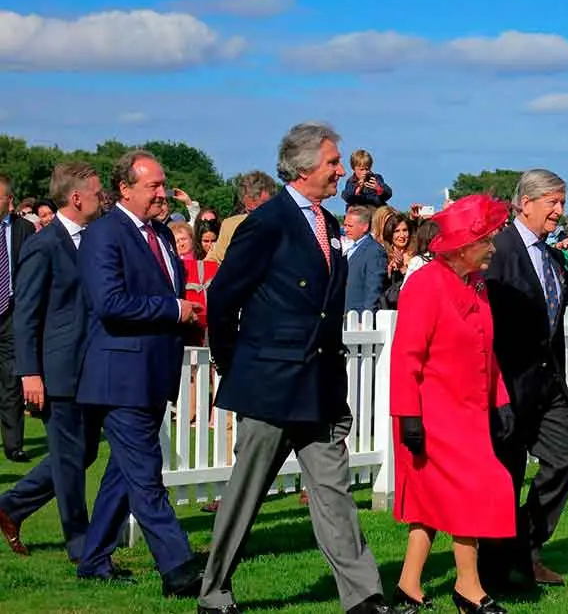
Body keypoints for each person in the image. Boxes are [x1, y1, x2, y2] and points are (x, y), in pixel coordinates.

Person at [198, 123, 395, 614]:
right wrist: (234, 363)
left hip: (321, 384)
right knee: (246, 494)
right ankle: (215, 591)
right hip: (270, 384)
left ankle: (363, 596)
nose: (339, 171)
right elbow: (222, 298)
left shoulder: (328, 223)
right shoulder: (267, 222)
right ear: (306, 167)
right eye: (333, 162)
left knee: (334, 495)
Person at [75, 150, 203, 596]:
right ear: (125, 189)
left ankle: (93, 559)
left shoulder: (163, 236)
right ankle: (178, 566)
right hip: (120, 374)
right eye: (153, 185)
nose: (162, 193)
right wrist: (172, 309)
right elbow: (110, 304)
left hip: (152, 371)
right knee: (146, 471)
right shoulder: (104, 235)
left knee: (125, 472)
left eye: (163, 184)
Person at [390, 194, 515, 614]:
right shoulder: (425, 284)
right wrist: (408, 417)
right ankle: (469, 588)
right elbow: (406, 357)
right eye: (487, 241)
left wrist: (501, 402)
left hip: (469, 412)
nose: (494, 249)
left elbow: (487, 347)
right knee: (475, 491)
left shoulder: (476, 284)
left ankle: (408, 587)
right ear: (464, 246)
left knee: (432, 501)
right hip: (432, 414)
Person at [482, 169, 568, 588]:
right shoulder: (499, 250)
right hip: (508, 385)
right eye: (552, 203)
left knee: (567, 457)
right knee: (506, 475)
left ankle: (525, 545)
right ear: (525, 204)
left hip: (547, 385)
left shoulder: (552, 256)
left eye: (562, 203)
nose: (559, 212)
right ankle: (496, 570)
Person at [0, 163, 103, 560]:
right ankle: (82, 545)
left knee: (82, 453)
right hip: (55, 371)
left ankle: (11, 505)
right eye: (96, 192)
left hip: (88, 368)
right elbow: (25, 314)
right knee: (69, 460)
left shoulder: (93, 239)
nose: (102, 198)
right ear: (76, 197)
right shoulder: (43, 245)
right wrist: (30, 373)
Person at [0, 174, 36, 462]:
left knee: (11, 380)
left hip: (13, 313)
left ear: (9, 200)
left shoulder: (25, 229)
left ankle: (13, 445)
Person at [205, 171, 277, 264]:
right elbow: (214, 261)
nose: (256, 217)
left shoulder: (289, 228)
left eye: (261, 210)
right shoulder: (229, 226)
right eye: (250, 211)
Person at [344, 205, 388, 315]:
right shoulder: (352, 247)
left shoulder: (374, 251)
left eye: (350, 226)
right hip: (346, 314)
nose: (346, 229)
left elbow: (374, 288)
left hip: (359, 317)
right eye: (345, 225)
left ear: (364, 227)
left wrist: (365, 318)